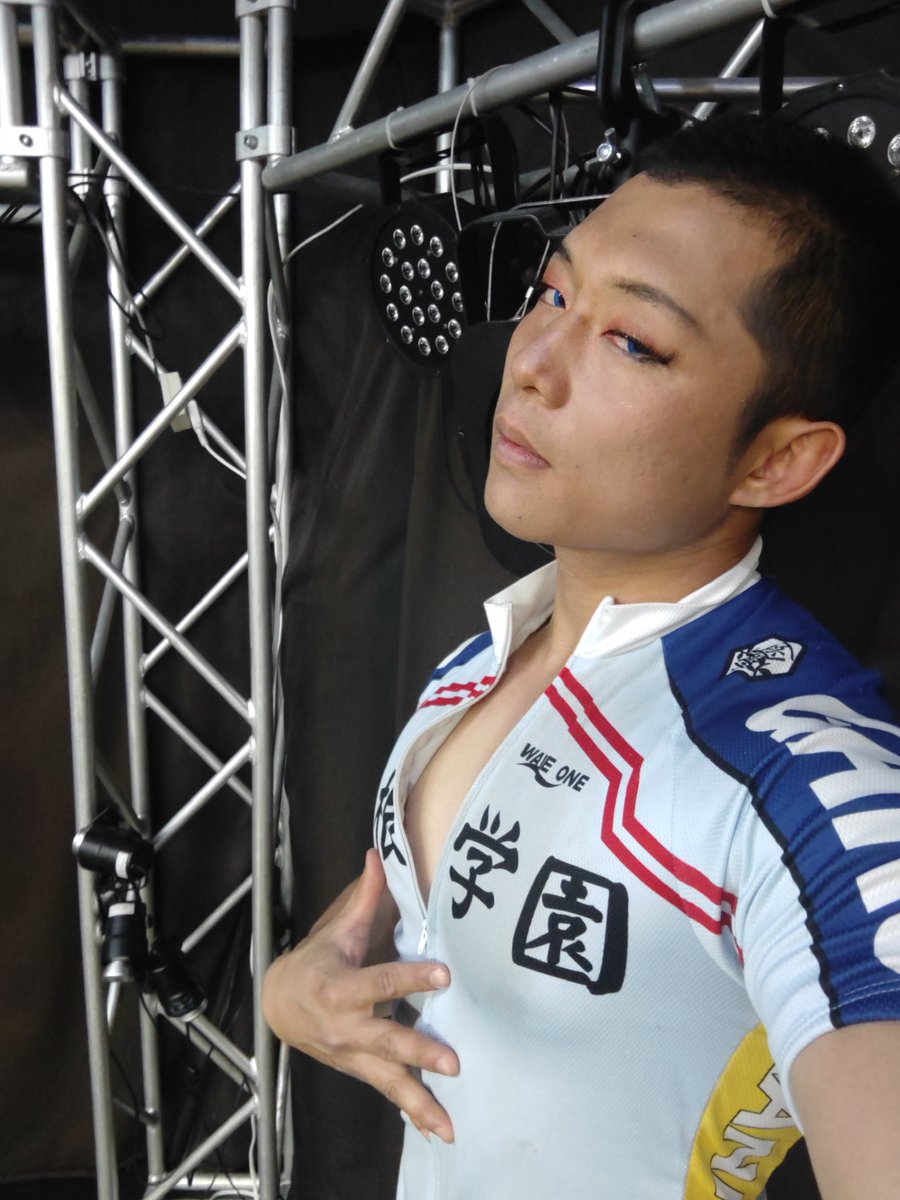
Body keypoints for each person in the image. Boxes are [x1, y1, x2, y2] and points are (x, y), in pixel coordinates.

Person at [263, 112, 900, 1199]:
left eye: (633, 343)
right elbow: (417, 913)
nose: (533, 364)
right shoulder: (483, 658)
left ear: (779, 459)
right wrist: (296, 988)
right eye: (553, 294)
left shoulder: (797, 778)